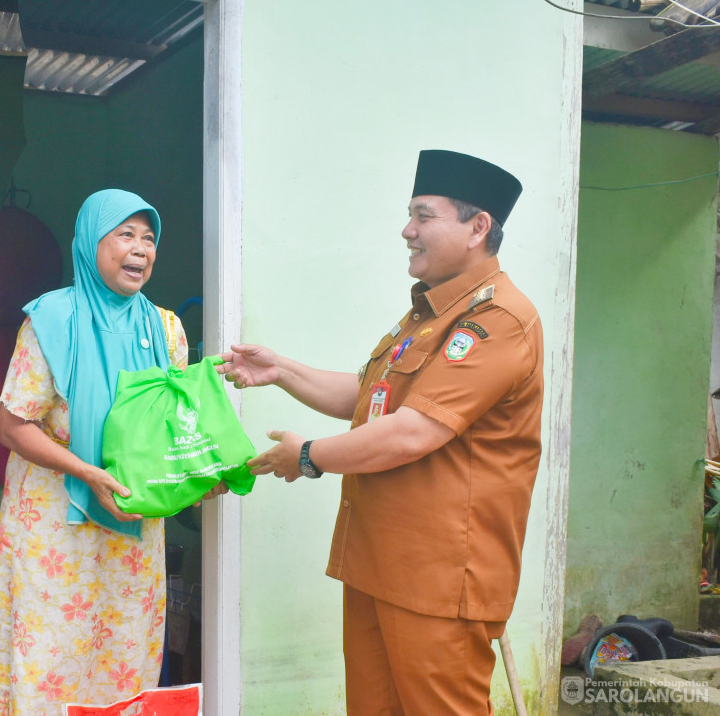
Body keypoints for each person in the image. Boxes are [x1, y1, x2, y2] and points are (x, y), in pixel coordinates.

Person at [219, 149, 543, 714]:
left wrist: (311, 456)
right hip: (379, 561)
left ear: (478, 227)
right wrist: (283, 372)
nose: (407, 230)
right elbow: (375, 402)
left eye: (424, 215)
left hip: (439, 579)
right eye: (409, 214)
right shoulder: (428, 314)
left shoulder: (498, 321)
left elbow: (414, 432)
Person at [0, 189, 189, 716]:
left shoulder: (165, 329)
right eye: (125, 234)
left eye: (149, 237)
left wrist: (206, 467)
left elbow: (174, 424)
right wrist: (86, 472)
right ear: (91, 243)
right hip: (54, 527)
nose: (141, 249)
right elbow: (11, 425)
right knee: (50, 659)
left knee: (122, 655)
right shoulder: (50, 320)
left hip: (130, 525)